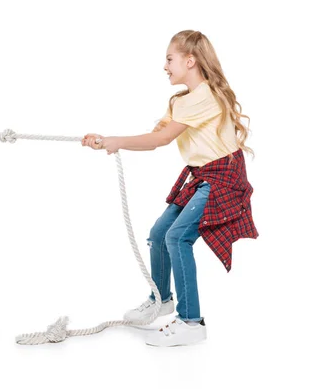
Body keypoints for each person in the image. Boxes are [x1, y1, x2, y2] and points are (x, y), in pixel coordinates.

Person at [82, 30, 258, 346]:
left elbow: (161, 141)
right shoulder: (181, 101)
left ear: (190, 60)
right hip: (202, 175)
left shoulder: (205, 96)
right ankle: (161, 298)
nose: (165, 66)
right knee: (159, 233)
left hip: (222, 177)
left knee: (178, 236)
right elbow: (153, 137)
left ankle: (191, 322)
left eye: (169, 59)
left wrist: (116, 142)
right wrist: (106, 141)